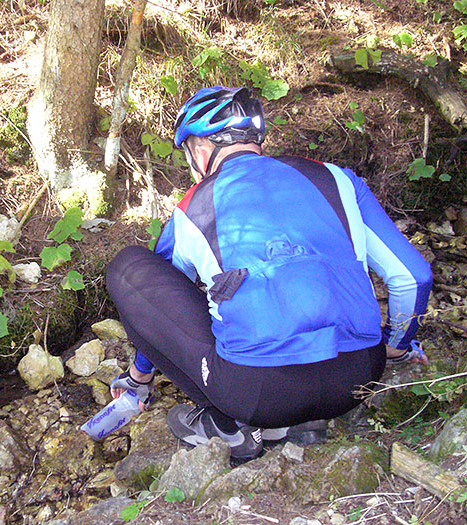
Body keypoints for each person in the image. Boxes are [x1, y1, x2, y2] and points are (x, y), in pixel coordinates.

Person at [107, 86, 433, 459]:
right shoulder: (336, 179)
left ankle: (229, 428)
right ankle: (305, 422)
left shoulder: (194, 206)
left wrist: (139, 376)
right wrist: (395, 347)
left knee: (127, 268)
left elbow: (157, 308)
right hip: (356, 378)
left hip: (259, 393)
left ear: (200, 149)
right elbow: (414, 276)